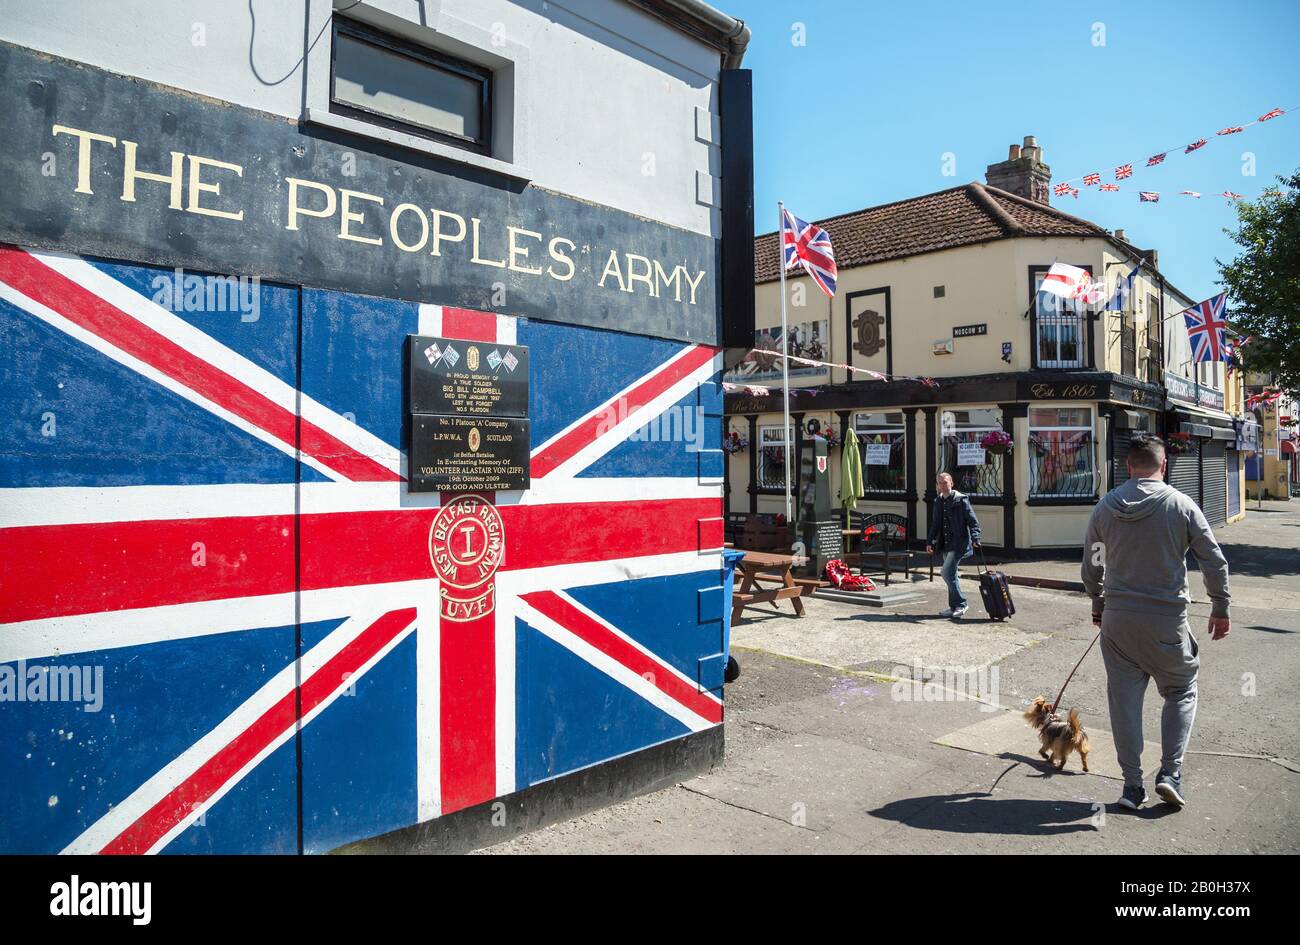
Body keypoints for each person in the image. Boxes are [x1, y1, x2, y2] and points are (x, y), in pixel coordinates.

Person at [1080, 435, 1230, 812]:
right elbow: (1213, 560)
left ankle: (1132, 787)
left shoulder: (1105, 508)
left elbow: (1092, 565)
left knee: (1124, 702)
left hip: (1118, 620)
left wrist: (1098, 602)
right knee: (1180, 691)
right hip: (1166, 620)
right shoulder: (1180, 505)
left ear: (1128, 467)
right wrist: (1220, 606)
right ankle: (1169, 774)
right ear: (1163, 466)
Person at [926, 472, 981, 618]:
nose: (942, 485)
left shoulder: (961, 500)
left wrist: (975, 538)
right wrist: (930, 541)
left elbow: (973, 521)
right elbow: (936, 524)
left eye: (945, 482)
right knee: (951, 575)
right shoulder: (938, 501)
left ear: (952, 483)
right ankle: (954, 607)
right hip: (944, 544)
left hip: (959, 543)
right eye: (939, 483)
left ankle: (962, 603)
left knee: (945, 573)